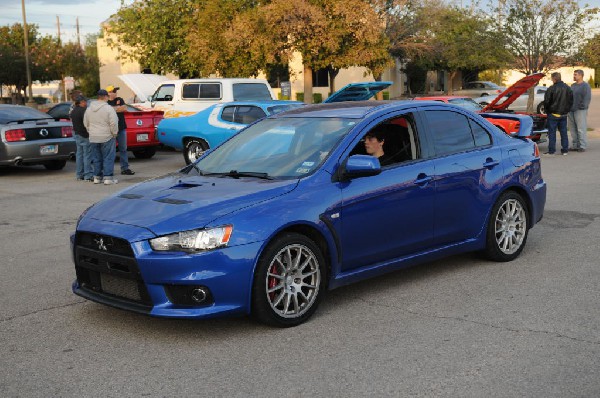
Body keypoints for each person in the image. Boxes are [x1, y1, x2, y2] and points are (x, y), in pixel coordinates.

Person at [84, 89, 119, 185]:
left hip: (94, 136)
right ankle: (108, 178)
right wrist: (114, 133)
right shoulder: (109, 109)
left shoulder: (89, 109)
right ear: (105, 97)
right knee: (108, 157)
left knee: (96, 157)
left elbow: (86, 123)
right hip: (107, 136)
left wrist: (90, 131)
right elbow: (114, 123)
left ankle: (97, 177)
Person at [106, 85, 135, 175]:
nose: (116, 93)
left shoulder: (120, 99)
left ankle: (125, 168)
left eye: (116, 91)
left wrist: (113, 109)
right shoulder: (106, 102)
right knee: (111, 151)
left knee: (123, 149)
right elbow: (107, 111)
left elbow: (124, 108)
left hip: (121, 128)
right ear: (109, 93)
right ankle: (109, 170)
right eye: (114, 91)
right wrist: (117, 108)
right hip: (111, 130)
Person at [543, 72, 573, 156]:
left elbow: (546, 101)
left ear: (554, 79)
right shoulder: (568, 88)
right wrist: (567, 110)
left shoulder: (551, 88)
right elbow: (571, 101)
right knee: (564, 133)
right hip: (563, 114)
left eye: (552, 78)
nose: (551, 80)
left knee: (552, 133)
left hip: (553, 114)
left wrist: (547, 110)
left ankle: (552, 151)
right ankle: (565, 150)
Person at [70, 95, 93, 181]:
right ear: (81, 102)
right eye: (85, 101)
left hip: (77, 134)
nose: (86, 103)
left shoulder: (73, 111)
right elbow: (87, 123)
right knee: (87, 155)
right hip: (85, 135)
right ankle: (88, 175)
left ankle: (79, 174)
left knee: (79, 155)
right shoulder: (84, 111)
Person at [568, 69, 592, 152]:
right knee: (572, 129)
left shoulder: (585, 86)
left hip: (580, 110)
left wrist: (582, 107)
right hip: (571, 110)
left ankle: (582, 146)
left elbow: (587, 98)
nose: (574, 76)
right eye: (574, 74)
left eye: (575, 74)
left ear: (581, 75)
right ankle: (575, 145)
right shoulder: (573, 85)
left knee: (581, 128)